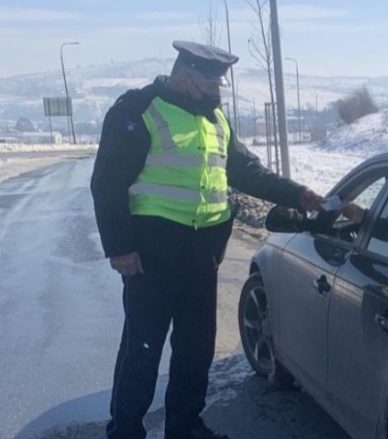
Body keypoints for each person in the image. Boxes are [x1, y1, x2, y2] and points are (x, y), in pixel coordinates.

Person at [90, 41, 322, 439]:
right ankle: (125, 430)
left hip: (202, 255)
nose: (218, 90)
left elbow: (247, 172)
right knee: (142, 352)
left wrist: (297, 193)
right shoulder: (139, 110)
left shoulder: (215, 119)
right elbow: (107, 183)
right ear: (184, 73)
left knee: (196, 349)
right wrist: (120, 248)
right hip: (150, 255)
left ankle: (185, 427)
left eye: (221, 83)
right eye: (211, 81)